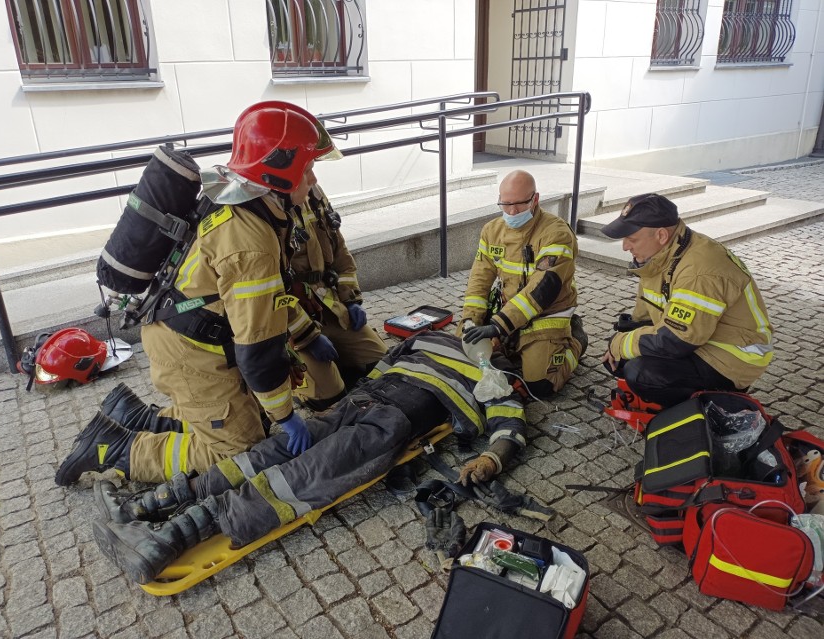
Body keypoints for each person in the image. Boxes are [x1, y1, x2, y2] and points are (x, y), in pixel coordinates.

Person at [90, 331, 529, 584]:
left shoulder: (494, 375)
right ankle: (144, 507)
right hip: (361, 403)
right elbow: (382, 363)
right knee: (268, 453)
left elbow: (509, 425)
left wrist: (490, 460)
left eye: (492, 333)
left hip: (391, 422)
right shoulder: (432, 337)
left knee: (303, 474)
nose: (482, 332)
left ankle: (170, 537)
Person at [55, 101, 342, 487]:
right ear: (280, 170)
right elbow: (258, 349)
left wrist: (307, 334)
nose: (312, 181)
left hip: (191, 333)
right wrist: (287, 417)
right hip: (190, 352)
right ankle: (115, 449)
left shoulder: (241, 195)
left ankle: (139, 417)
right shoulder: (251, 240)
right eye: (307, 169)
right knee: (237, 451)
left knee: (251, 416)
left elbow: (267, 298)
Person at [600, 192, 773, 407]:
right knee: (621, 360)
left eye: (631, 239)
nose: (625, 246)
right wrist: (621, 340)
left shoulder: (699, 271)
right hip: (698, 339)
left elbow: (675, 340)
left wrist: (621, 344)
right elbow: (647, 313)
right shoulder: (662, 254)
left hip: (731, 357)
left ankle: (707, 406)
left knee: (641, 373)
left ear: (661, 235)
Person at [459, 169, 587, 399]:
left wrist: (498, 325)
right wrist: (470, 320)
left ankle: (576, 340)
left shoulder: (556, 233)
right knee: (469, 360)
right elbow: (480, 277)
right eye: (505, 204)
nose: (511, 211)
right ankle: (512, 343)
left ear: (535, 199)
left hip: (547, 316)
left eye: (518, 204)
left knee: (541, 387)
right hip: (509, 313)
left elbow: (543, 288)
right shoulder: (492, 231)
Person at [285, 183, 387, 411]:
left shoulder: (312, 192)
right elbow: (269, 296)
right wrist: (307, 337)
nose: (312, 177)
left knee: (381, 363)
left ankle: (338, 361)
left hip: (327, 305)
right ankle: (297, 384)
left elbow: (340, 249)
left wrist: (350, 300)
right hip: (291, 323)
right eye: (306, 169)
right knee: (329, 397)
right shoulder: (265, 210)